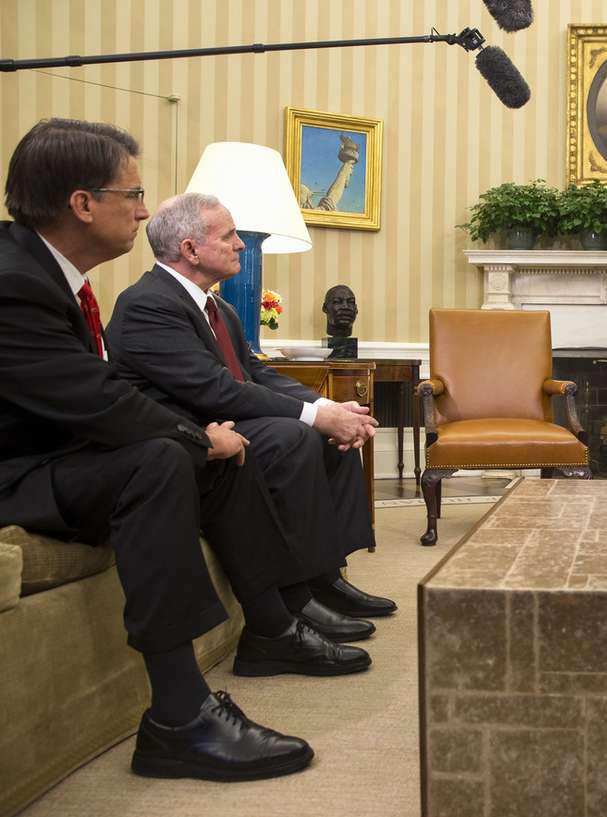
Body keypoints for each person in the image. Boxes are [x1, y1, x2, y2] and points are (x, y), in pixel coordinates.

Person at [0, 118, 368, 782]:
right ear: (83, 203)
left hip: (59, 454)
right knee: (165, 458)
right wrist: (198, 436)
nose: (144, 212)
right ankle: (179, 715)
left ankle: (270, 626)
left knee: (222, 454)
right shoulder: (13, 280)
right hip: (18, 474)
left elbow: (106, 391)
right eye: (133, 194)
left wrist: (211, 442)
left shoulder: (51, 274)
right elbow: (99, 402)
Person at [106, 193, 396, 643]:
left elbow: (256, 373)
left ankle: (325, 577)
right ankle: (298, 595)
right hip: (194, 433)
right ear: (190, 249)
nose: (241, 244)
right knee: (293, 436)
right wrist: (312, 417)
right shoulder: (148, 303)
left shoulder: (218, 307)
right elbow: (214, 389)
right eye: (229, 236)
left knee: (328, 434)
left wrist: (327, 409)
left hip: (229, 418)